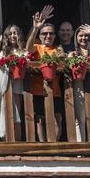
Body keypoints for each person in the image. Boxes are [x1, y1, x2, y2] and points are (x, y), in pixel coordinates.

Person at [21, 7, 64, 141]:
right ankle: (43, 145)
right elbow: (28, 48)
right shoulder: (37, 47)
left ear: (55, 36)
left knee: (57, 119)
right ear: (40, 36)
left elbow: (63, 60)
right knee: (40, 120)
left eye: (51, 33)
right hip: (37, 89)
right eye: (44, 33)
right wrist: (35, 28)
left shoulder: (58, 49)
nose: (48, 36)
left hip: (55, 90)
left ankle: (55, 145)